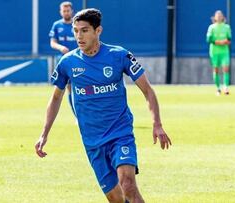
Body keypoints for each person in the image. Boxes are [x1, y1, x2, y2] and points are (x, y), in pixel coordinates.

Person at [36, 8, 172, 203]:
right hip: (92, 140)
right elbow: (56, 98)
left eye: (84, 30)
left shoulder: (119, 56)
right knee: (116, 199)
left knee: (128, 185)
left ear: (98, 31)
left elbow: (148, 90)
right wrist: (44, 133)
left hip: (120, 133)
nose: (78, 36)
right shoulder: (67, 62)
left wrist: (157, 124)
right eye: (75, 31)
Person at [49, 1, 78, 113]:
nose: (66, 13)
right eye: (64, 11)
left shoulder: (77, 24)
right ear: (61, 12)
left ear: (72, 11)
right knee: (69, 88)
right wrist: (61, 47)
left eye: (68, 11)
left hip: (79, 59)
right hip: (65, 62)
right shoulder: (57, 25)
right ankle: (76, 115)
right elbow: (52, 42)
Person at [206, 10, 232, 95]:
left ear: (223, 17)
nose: (219, 16)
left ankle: (226, 88)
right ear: (215, 17)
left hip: (224, 51)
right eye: (217, 15)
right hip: (214, 52)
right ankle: (218, 88)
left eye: (220, 15)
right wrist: (217, 42)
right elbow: (208, 39)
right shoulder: (212, 27)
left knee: (225, 69)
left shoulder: (227, 27)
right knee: (216, 70)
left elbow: (229, 39)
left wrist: (226, 42)